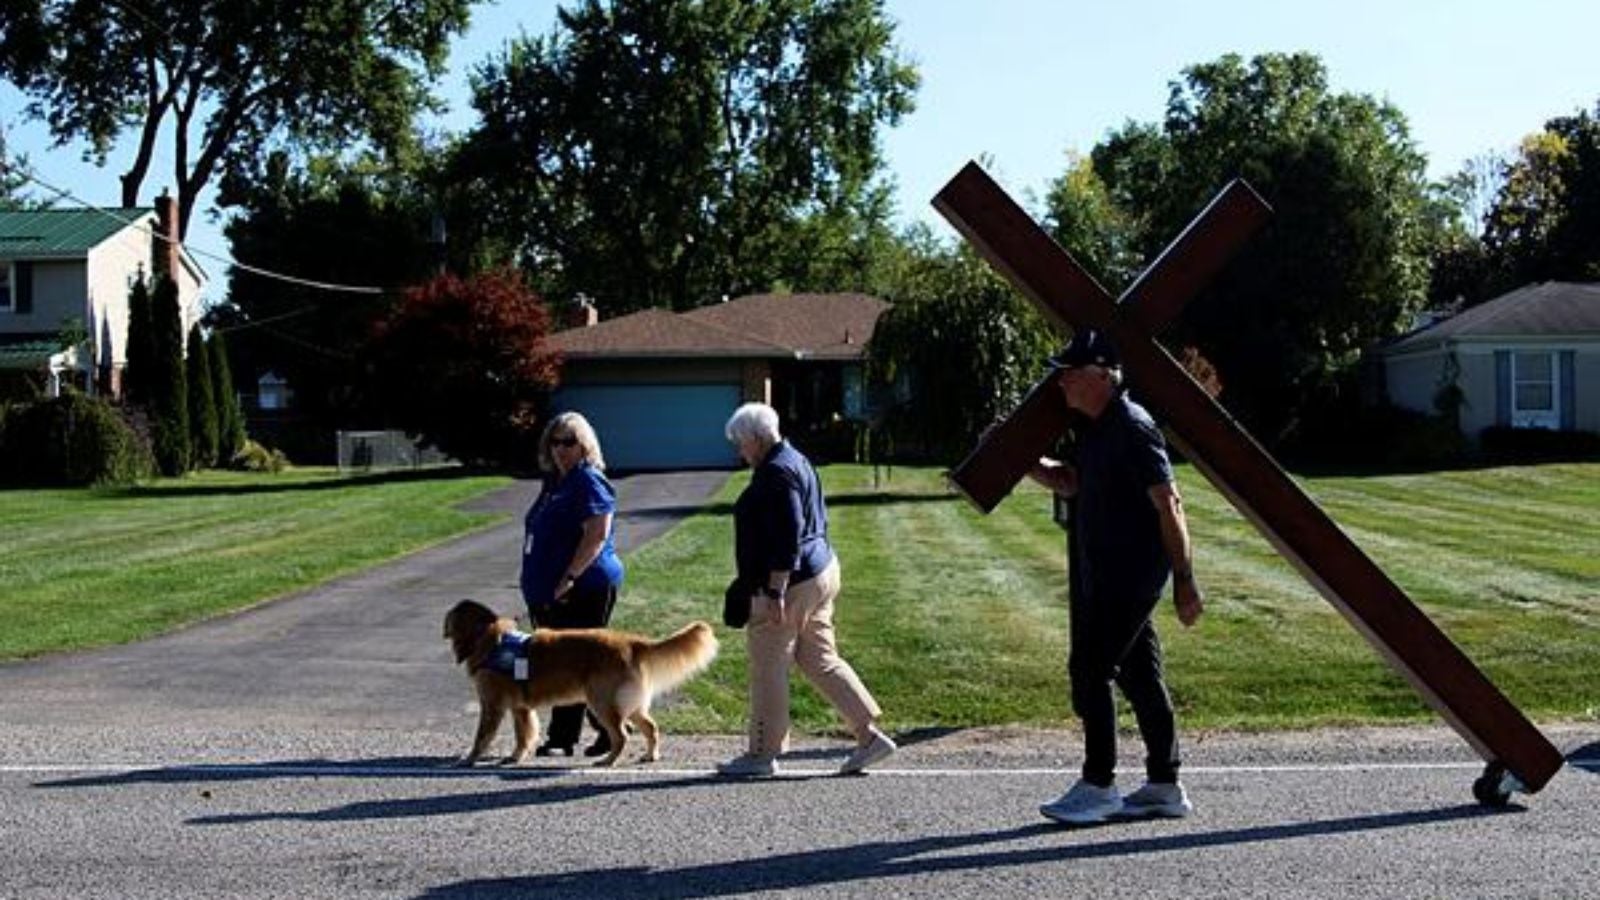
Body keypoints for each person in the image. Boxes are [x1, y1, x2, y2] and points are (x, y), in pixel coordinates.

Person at [1027, 329, 1204, 825]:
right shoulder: (1097, 426)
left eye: (1069, 373)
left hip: (1130, 574)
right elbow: (1075, 481)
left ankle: (1099, 784)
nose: (1060, 382)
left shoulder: (1132, 424)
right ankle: (1164, 785)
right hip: (1109, 572)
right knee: (1140, 675)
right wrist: (1030, 464)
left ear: (1101, 375)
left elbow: (1169, 502)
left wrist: (1185, 579)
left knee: (1089, 669)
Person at [715, 402, 897, 777]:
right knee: (819, 658)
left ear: (756, 438)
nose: (739, 450)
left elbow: (788, 534)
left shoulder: (775, 474)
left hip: (790, 584)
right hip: (822, 571)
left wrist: (776, 591)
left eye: (740, 442)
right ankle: (870, 735)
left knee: (769, 665)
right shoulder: (796, 458)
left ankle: (762, 755)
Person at [519, 411, 626, 758]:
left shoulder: (588, 481)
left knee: (576, 664)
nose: (561, 449)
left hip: (584, 586)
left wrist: (569, 577)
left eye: (569, 442)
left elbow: (596, 535)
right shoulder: (555, 483)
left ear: (584, 446)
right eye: (555, 441)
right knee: (559, 662)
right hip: (548, 589)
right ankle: (591, 732)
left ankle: (581, 735)